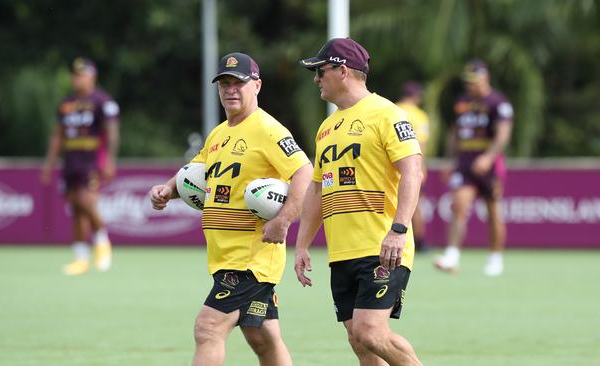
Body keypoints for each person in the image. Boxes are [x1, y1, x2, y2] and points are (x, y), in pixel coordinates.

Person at [149, 52, 311, 366]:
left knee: (208, 327)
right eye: (225, 83)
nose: (231, 89)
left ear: (257, 86)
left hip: (250, 261)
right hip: (226, 258)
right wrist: (167, 190)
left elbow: (304, 171)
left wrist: (284, 220)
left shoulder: (267, 129)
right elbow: (194, 172)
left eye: (239, 82)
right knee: (263, 338)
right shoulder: (219, 133)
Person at [295, 38, 423, 366]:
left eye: (320, 71)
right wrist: (302, 244)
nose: (315, 79)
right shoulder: (326, 128)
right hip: (342, 252)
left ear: (342, 70)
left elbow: (413, 173)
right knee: (360, 342)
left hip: (380, 245)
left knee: (370, 332)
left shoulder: (387, 114)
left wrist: (398, 229)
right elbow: (317, 189)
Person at [434, 59, 513, 277]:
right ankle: (451, 255)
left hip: (489, 164)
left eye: (474, 81)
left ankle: (495, 257)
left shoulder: (498, 103)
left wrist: (488, 157)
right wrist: (450, 160)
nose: (470, 86)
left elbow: (503, 134)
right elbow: (454, 132)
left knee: (493, 211)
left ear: (485, 78)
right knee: (458, 205)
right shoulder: (462, 102)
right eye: (467, 82)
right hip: (465, 162)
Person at [40, 57, 120, 276]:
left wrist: (110, 160)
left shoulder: (102, 101)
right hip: (70, 161)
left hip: (92, 160)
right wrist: (49, 164)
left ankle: (102, 241)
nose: (77, 79)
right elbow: (58, 136)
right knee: (75, 207)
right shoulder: (66, 104)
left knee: (86, 201)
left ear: (92, 76)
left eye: (81, 75)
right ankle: (81, 258)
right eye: (74, 75)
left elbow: (112, 133)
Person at [396, 82, 430, 253]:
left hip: (391, 168)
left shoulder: (391, 110)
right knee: (413, 204)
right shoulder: (419, 115)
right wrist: (421, 168)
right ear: (416, 96)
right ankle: (420, 241)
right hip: (411, 166)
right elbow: (420, 144)